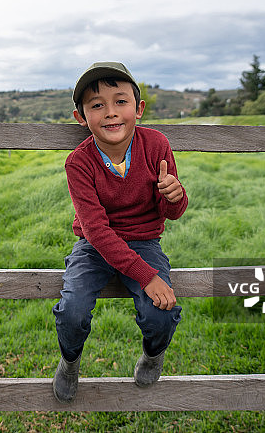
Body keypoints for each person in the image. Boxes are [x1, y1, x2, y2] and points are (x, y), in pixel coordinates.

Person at [52, 61, 188, 403]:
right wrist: (147, 276)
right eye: (97, 105)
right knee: (72, 310)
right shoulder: (78, 162)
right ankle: (70, 363)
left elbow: (170, 213)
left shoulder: (156, 146)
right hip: (93, 246)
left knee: (162, 313)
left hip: (143, 240)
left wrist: (174, 195)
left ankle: (153, 356)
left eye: (120, 101)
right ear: (81, 118)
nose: (111, 113)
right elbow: (96, 231)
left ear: (138, 109)